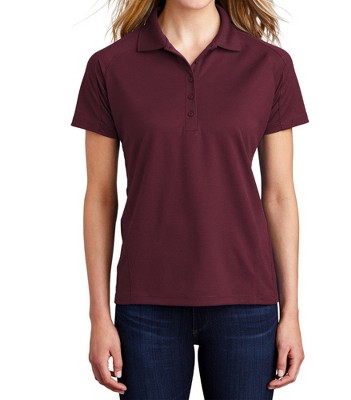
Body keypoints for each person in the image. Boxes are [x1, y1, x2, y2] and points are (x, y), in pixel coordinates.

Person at [70, 0, 309, 398]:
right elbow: (99, 197)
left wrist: (292, 313)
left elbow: (280, 196)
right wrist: (98, 315)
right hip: (145, 304)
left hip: (247, 300)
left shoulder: (270, 65)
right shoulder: (110, 67)